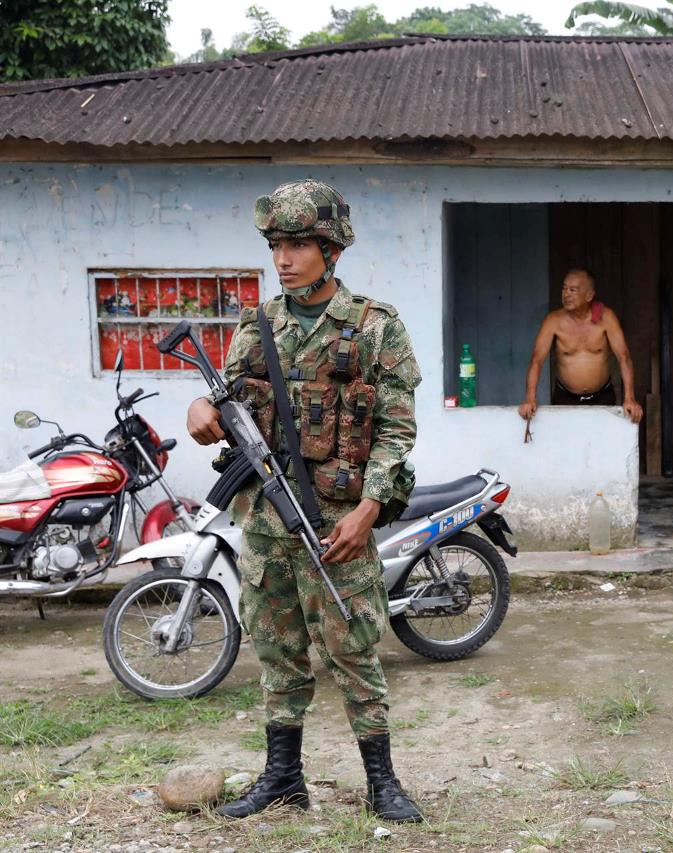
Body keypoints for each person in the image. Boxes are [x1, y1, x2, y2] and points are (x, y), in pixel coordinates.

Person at [185, 179, 425, 823]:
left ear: (333, 250)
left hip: (337, 517)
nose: (284, 258)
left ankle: (383, 784)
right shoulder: (255, 324)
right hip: (265, 517)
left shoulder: (377, 327)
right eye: (276, 245)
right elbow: (227, 395)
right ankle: (283, 778)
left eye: (298, 245)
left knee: (353, 646)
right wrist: (200, 407)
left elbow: (397, 431)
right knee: (276, 646)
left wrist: (369, 509)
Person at [517, 268, 644, 424]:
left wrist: (629, 398)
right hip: (565, 397)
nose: (566, 294)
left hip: (602, 397)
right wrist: (530, 398)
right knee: (567, 446)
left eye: (573, 290)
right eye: (564, 288)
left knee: (602, 445)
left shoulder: (607, 317)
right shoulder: (553, 321)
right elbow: (537, 359)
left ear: (589, 295)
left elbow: (624, 357)